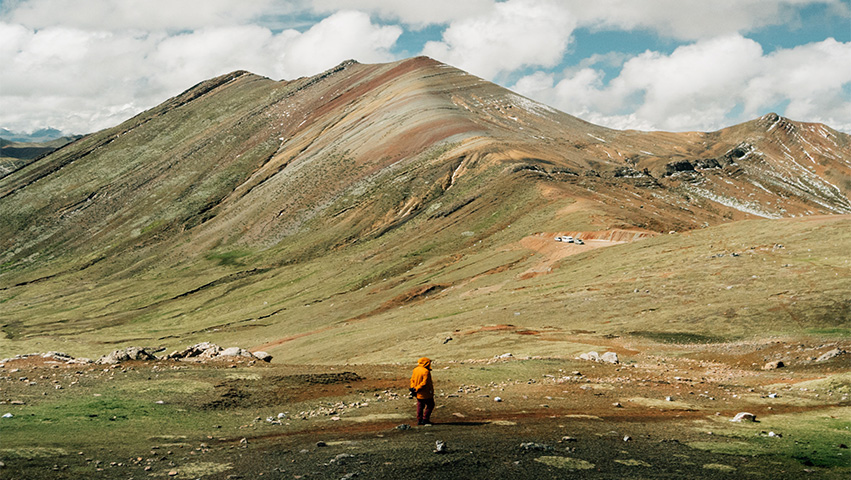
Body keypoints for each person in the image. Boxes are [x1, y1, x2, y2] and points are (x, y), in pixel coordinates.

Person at [409, 357, 434, 425]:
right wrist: (417, 388)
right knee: (430, 405)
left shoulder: (415, 369)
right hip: (425, 392)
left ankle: (419, 420)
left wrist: (413, 388)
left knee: (420, 405)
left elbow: (412, 380)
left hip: (417, 392)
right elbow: (424, 383)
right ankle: (425, 419)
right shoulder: (426, 371)